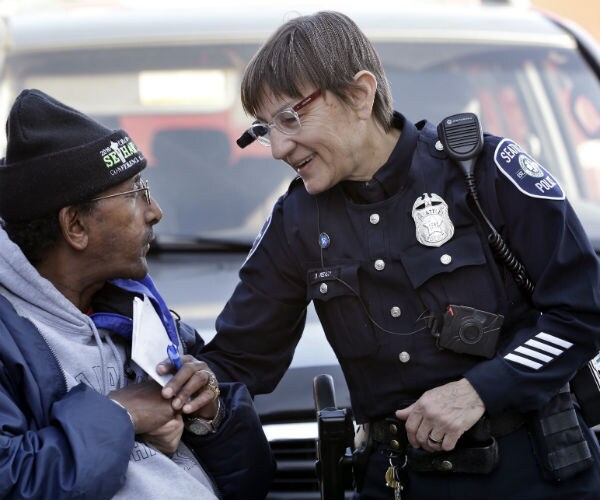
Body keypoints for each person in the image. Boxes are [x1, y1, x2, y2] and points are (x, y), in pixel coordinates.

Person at [199, 10, 600, 500]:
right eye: (264, 129)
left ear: (360, 93)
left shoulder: (483, 174)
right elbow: (240, 358)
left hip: (533, 476)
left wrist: (480, 390)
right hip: (394, 482)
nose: (279, 146)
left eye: (290, 118)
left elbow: (581, 312)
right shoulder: (297, 220)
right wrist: (179, 382)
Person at [0, 89, 274, 500]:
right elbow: (13, 481)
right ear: (75, 226)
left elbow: (250, 483)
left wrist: (211, 415)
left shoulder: (140, 311)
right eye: (135, 194)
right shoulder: (9, 340)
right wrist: (121, 414)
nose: (155, 211)